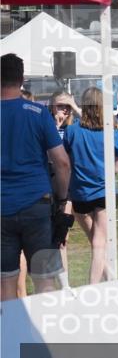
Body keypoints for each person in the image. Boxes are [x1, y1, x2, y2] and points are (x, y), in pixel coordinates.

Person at [1, 54, 72, 301]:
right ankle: (46, 334)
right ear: (21, 79)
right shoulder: (38, 113)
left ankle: (8, 336)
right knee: (44, 280)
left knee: (5, 281)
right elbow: (62, 163)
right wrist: (62, 200)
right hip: (37, 206)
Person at [64, 87, 118, 284]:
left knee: (96, 240)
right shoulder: (111, 132)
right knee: (99, 243)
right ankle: (95, 286)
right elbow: (116, 167)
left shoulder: (71, 131)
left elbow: (66, 161)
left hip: (80, 192)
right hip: (104, 190)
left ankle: (106, 280)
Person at [48, 92, 81, 289]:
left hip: (66, 187)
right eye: (61, 106)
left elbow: (101, 124)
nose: (64, 110)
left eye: (67, 106)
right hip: (44, 185)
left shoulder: (72, 129)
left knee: (62, 236)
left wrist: (75, 106)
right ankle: (48, 284)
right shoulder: (44, 125)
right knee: (45, 237)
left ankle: (64, 284)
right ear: (51, 106)